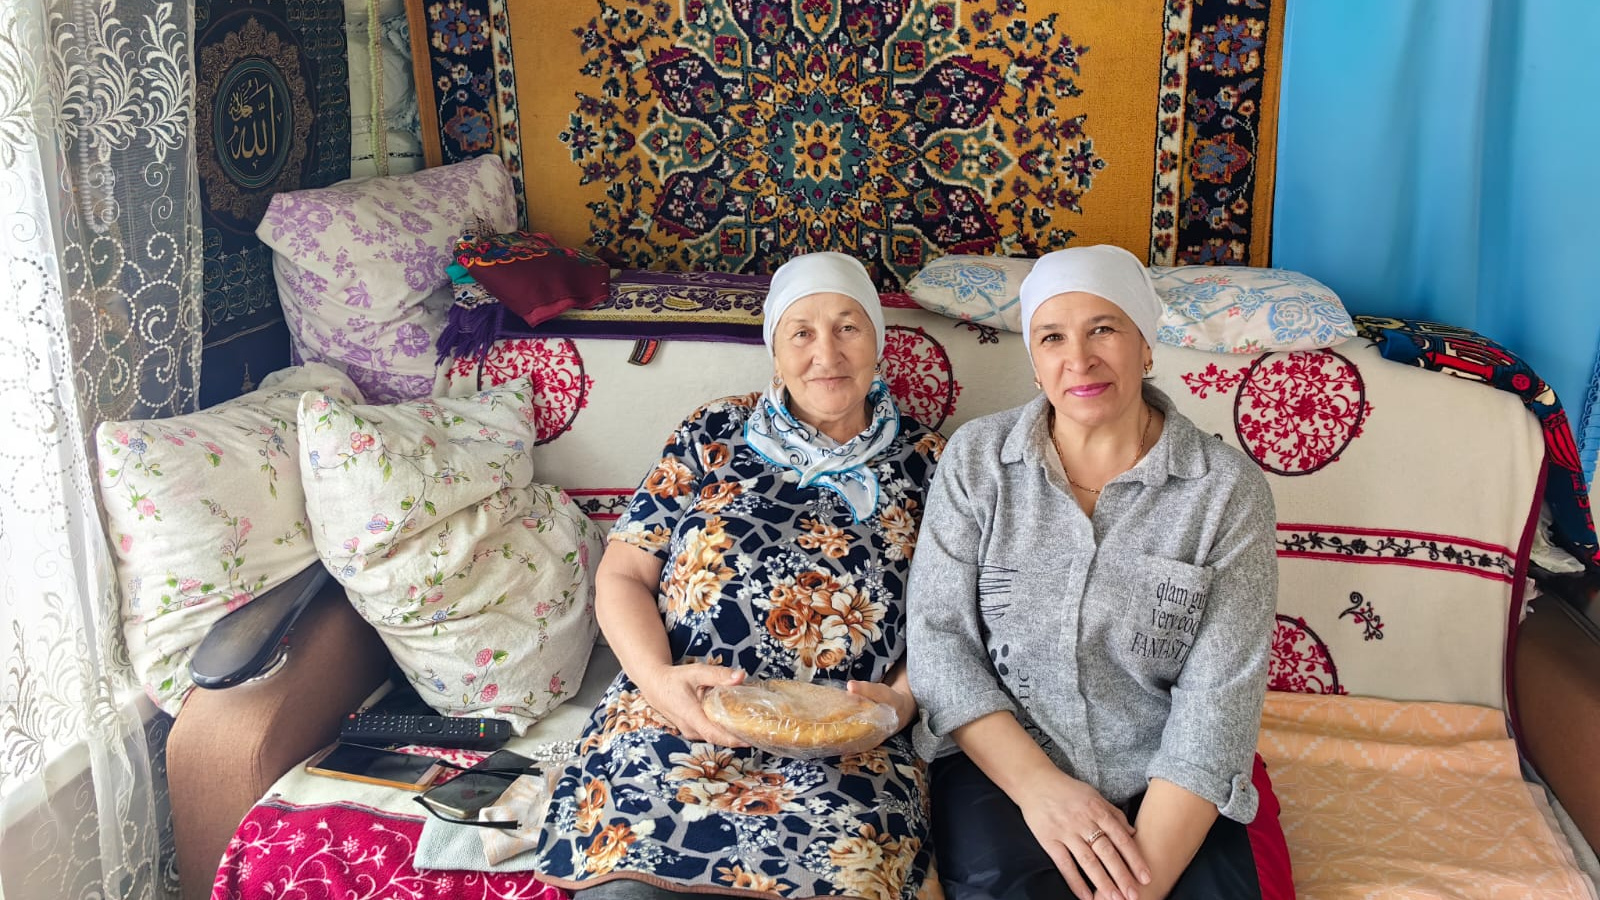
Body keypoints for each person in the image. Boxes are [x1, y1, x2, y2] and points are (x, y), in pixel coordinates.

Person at [526, 252, 945, 900]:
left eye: (848, 327)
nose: (826, 353)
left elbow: (951, 618)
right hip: (679, 717)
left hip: (847, 746)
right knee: (628, 884)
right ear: (774, 352)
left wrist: (901, 702)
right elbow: (624, 574)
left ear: (878, 342)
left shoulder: (931, 463)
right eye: (801, 333)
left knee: (852, 870)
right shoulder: (713, 432)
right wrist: (658, 682)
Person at [907, 245, 1285, 900]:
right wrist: (1041, 790)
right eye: (1053, 337)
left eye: (1103, 329)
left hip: (1173, 771)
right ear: (1034, 361)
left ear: (1145, 345)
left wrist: (1138, 884)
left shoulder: (1226, 492)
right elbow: (941, 647)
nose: (1078, 359)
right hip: (1010, 766)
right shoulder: (977, 462)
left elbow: (1219, 698)